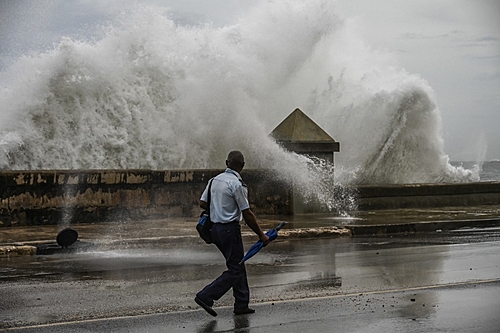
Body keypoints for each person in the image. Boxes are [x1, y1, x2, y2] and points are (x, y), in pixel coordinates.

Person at [195, 150, 270, 317]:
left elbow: (202, 203)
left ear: (226, 163)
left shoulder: (214, 180)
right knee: (235, 269)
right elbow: (247, 213)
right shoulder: (237, 184)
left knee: (237, 264)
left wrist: (218, 207)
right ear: (242, 166)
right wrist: (261, 235)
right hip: (229, 230)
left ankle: (241, 304)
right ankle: (206, 296)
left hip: (214, 230)